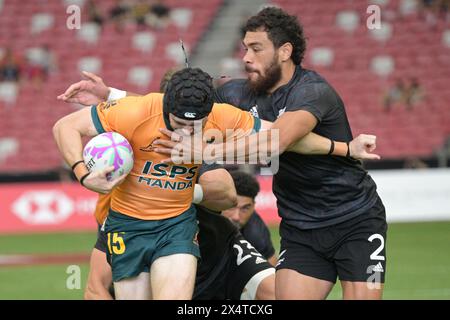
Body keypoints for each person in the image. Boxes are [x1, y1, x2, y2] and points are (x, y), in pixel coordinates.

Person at [54, 67, 363, 300]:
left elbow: (283, 136)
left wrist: (343, 147)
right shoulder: (135, 111)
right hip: (128, 227)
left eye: (196, 125)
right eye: (179, 123)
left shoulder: (222, 116)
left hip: (176, 227)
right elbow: (65, 126)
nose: (188, 131)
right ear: (166, 106)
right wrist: (83, 173)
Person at [153, 8, 387, 300]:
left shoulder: (312, 92)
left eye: (256, 48)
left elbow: (276, 142)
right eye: (245, 48)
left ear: (284, 51)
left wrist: (207, 149)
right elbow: (177, 104)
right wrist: (113, 98)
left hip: (356, 220)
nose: (246, 57)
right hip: (300, 227)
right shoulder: (238, 94)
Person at [86, 164, 276, 300]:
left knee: (276, 292)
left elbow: (228, 195)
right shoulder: (123, 213)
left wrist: (187, 192)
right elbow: (95, 290)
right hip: (172, 280)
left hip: (222, 257)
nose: (236, 216)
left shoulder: (253, 228)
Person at [222, 170, 277, 266]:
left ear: (253, 206)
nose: (236, 217)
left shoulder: (257, 234)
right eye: (231, 207)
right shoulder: (201, 220)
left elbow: (272, 271)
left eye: (245, 209)